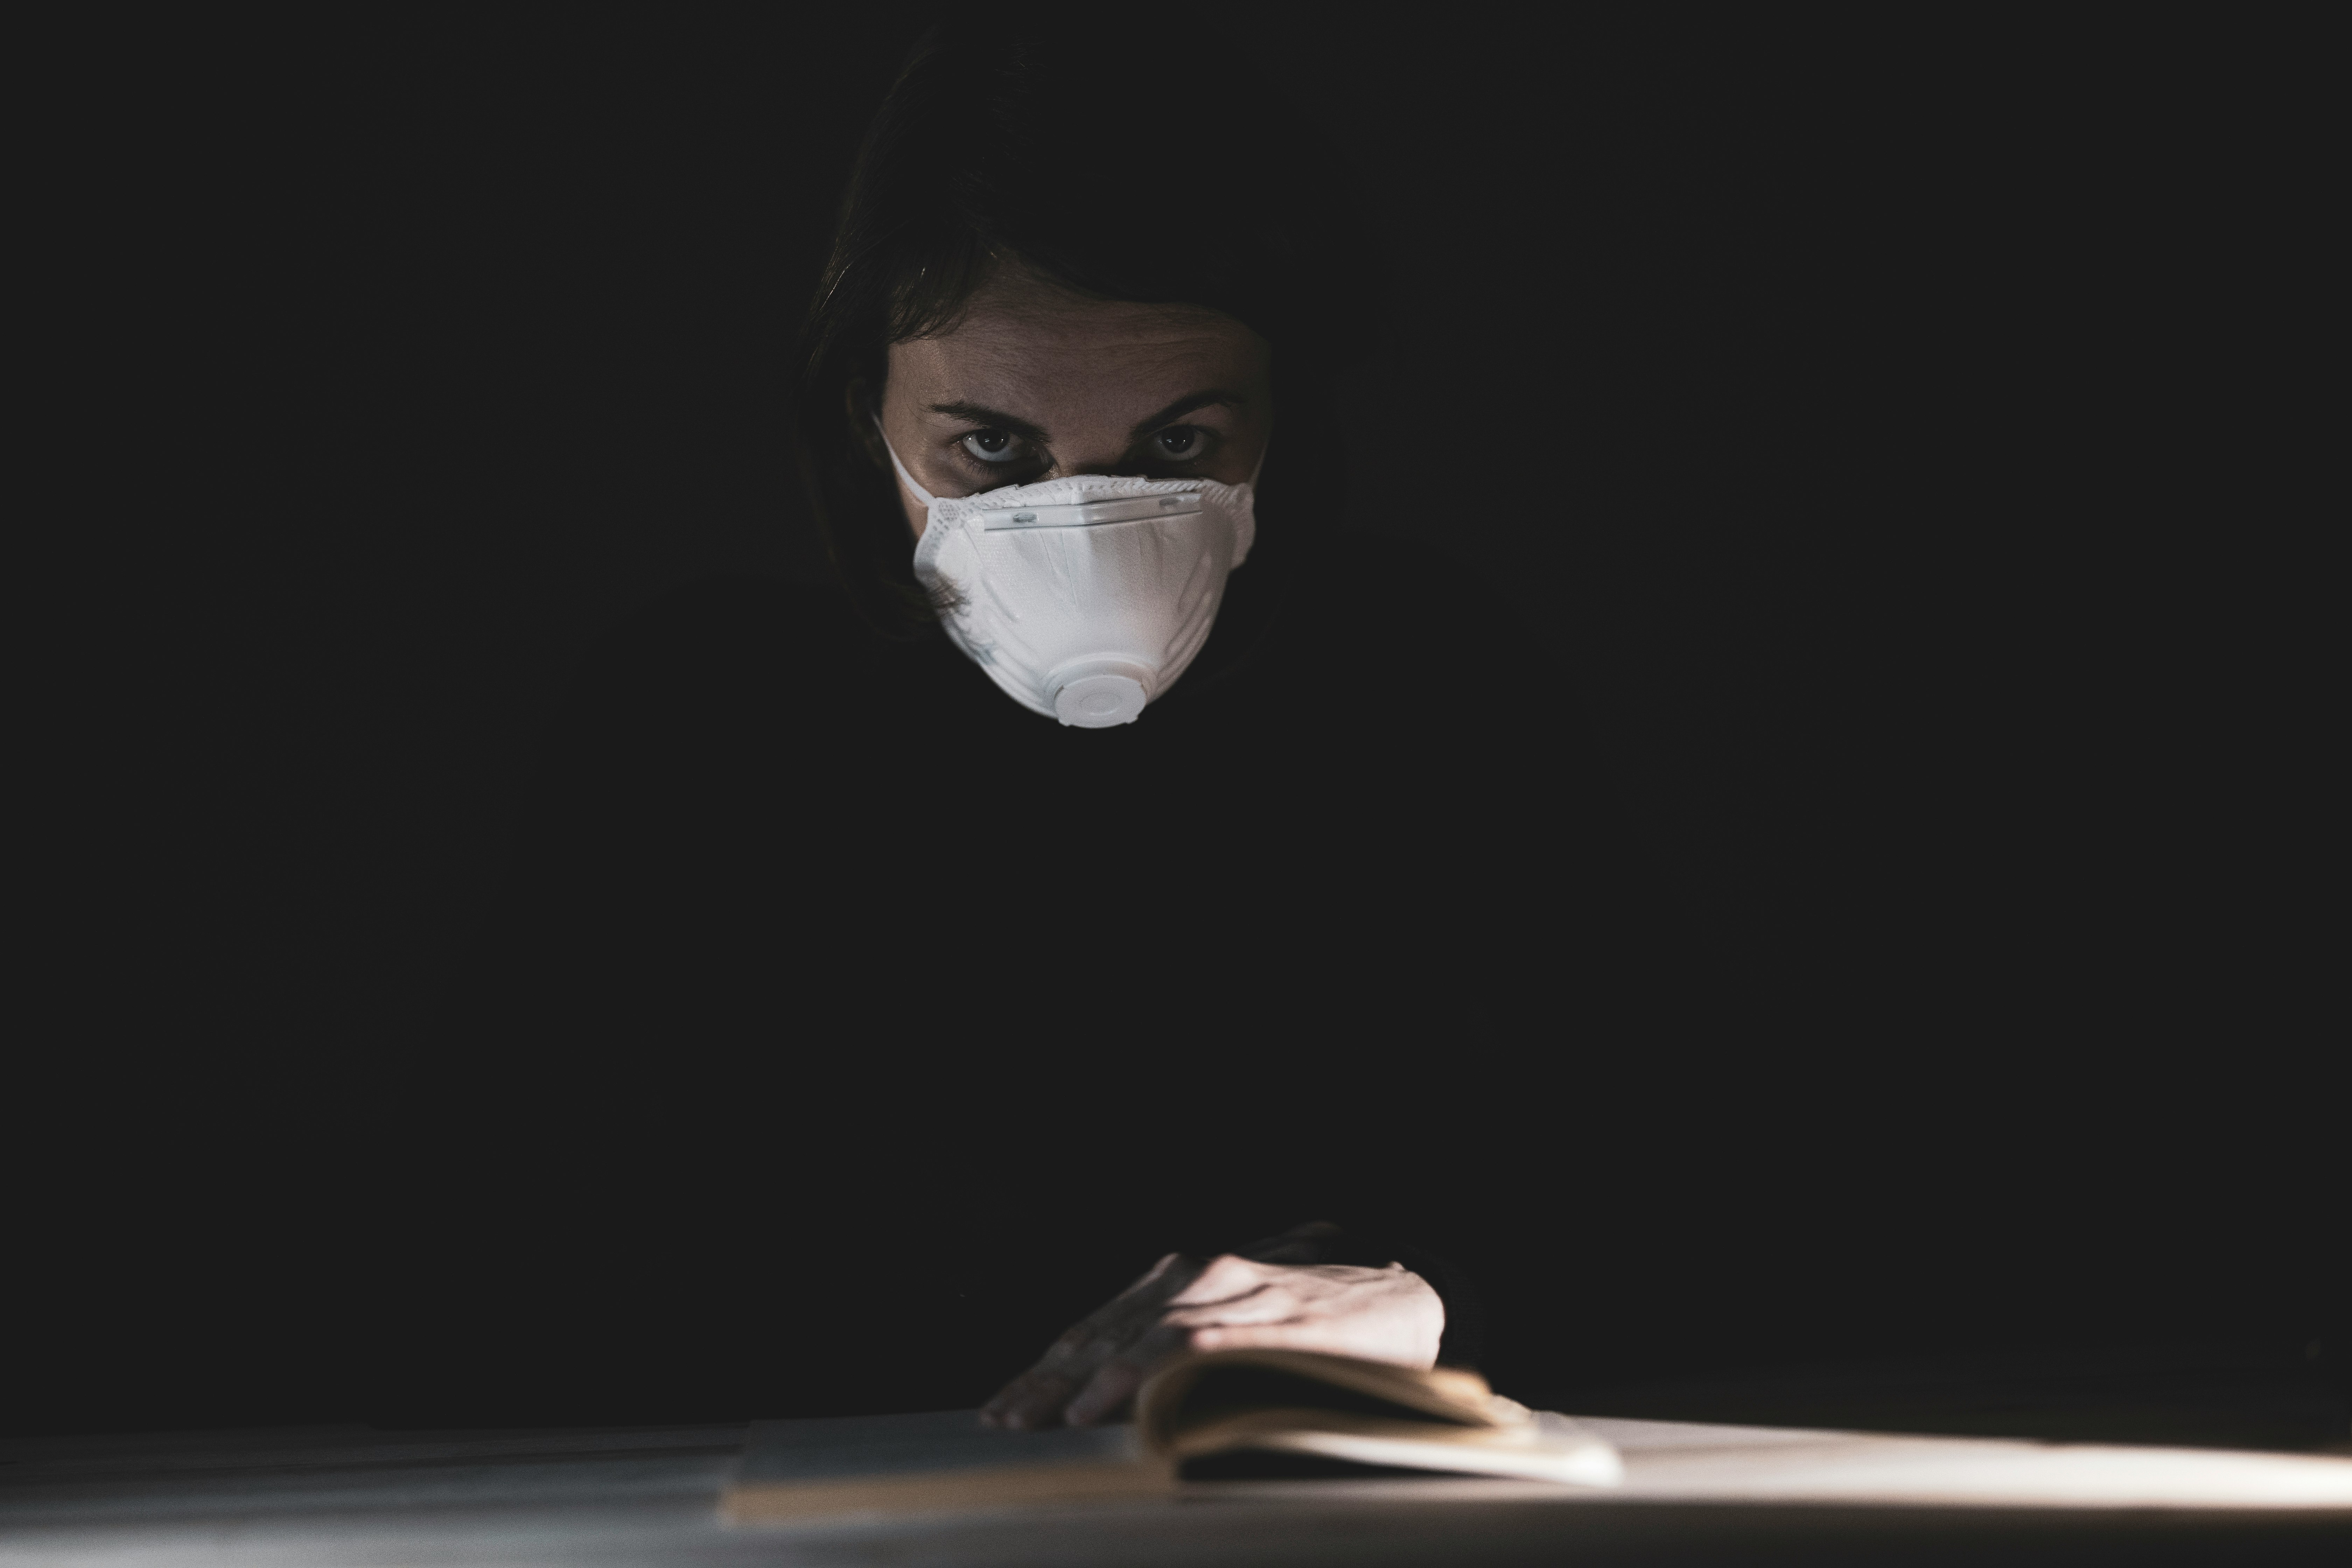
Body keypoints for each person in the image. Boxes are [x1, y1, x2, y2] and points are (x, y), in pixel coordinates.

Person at [431, 15, 1688, 1431]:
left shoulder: (1436, 697)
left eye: (1177, 445)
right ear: (867, 414)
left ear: (1284, 420)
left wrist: (1433, 1292)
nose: (1083, 529)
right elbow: (486, 1280)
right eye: (991, 447)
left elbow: (1682, 1184)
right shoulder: (688, 735)